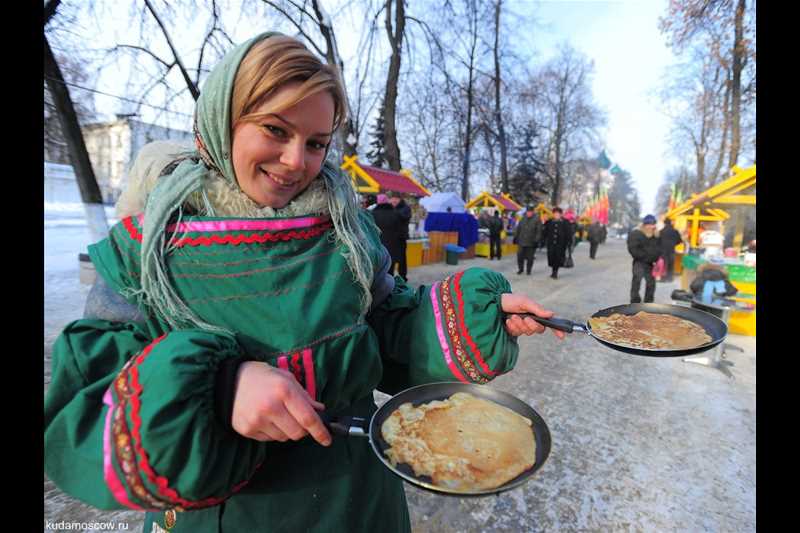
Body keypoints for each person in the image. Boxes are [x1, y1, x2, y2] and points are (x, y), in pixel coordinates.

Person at [43, 32, 566, 533]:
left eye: (316, 142)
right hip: (228, 516)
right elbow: (87, 406)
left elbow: (387, 330)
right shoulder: (148, 249)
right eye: (275, 130)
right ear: (222, 122)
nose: (297, 161)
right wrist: (218, 389)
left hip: (358, 506)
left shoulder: (342, 232)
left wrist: (472, 321)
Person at [627, 214, 661, 303]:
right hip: (639, 262)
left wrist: (656, 258)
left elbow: (659, 249)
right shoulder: (636, 234)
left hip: (651, 264)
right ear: (644, 225)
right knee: (637, 281)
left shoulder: (656, 236)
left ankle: (648, 302)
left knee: (651, 284)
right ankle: (635, 301)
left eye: (653, 224)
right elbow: (633, 249)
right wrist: (647, 257)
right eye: (649, 224)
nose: (651, 226)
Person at [371, 194, 404, 277]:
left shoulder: (372, 214)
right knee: (389, 271)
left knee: (376, 270)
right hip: (392, 246)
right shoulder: (395, 213)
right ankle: (389, 288)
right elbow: (400, 231)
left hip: (376, 246)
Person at [388, 192, 411, 281]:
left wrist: (391, 212)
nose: (394, 200)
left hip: (401, 238)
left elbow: (404, 216)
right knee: (390, 259)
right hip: (391, 239)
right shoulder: (390, 208)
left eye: (396, 198)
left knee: (402, 260)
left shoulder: (405, 208)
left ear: (400, 199)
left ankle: (403, 278)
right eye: (392, 198)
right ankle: (390, 278)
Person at [514, 206, 543, 275]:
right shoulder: (522, 219)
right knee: (519, 256)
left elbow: (539, 231)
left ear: (532, 212)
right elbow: (518, 229)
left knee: (530, 258)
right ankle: (520, 269)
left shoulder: (537, 219)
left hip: (531, 242)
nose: (529, 213)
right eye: (527, 212)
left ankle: (528, 270)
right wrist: (515, 237)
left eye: (530, 212)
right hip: (521, 241)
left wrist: (536, 240)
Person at [542, 207, 570, 279]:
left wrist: (567, 244)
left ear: (560, 214)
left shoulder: (565, 222)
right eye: (555, 214)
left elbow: (568, 233)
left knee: (558, 258)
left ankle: (555, 272)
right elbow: (544, 232)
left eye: (558, 214)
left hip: (560, 245)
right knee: (551, 258)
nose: (556, 215)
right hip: (551, 244)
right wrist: (544, 223)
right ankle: (553, 271)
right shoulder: (550, 222)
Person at [658, 218, 683, 282]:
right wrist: (674, 243)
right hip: (671, 250)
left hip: (663, 250)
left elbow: (657, 241)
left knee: (663, 264)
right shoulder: (675, 231)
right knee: (671, 264)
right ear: (670, 223)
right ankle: (669, 278)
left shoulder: (661, 231)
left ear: (664, 223)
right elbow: (680, 241)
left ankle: (663, 278)